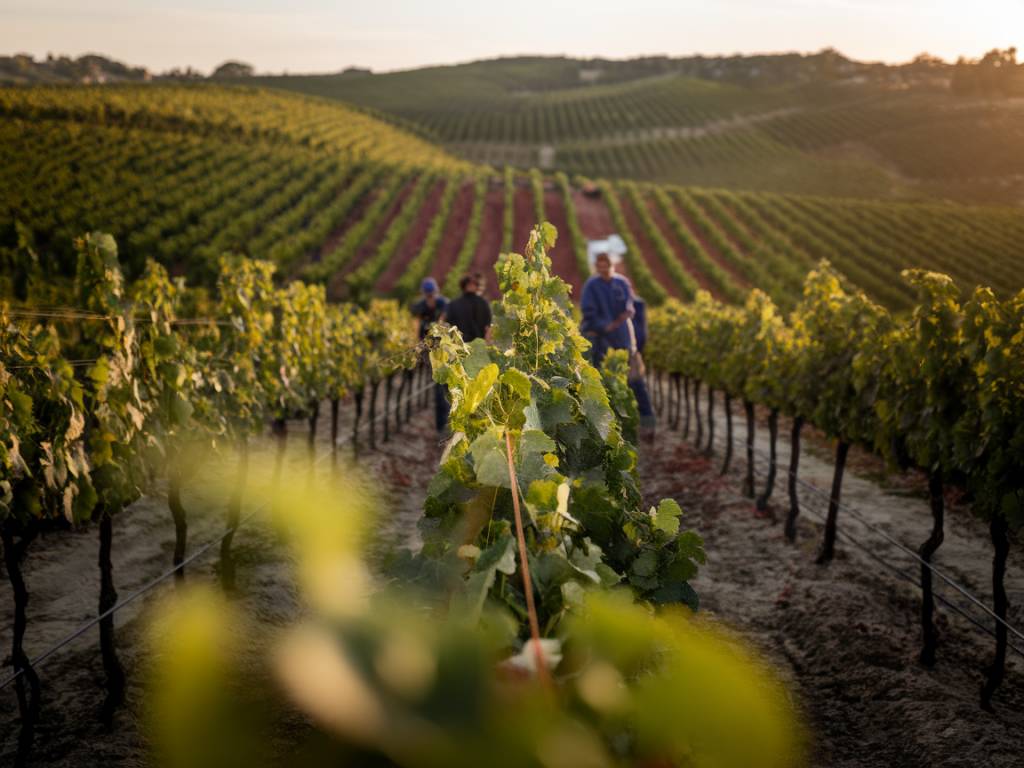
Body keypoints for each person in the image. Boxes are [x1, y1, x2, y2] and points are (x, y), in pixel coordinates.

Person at [580, 251, 656, 440]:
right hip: (602, 342)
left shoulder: (621, 283)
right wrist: (605, 326)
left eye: (606, 264)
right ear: (597, 267)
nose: (603, 268)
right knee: (604, 384)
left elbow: (630, 307)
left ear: (611, 265)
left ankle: (648, 423)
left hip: (624, 340)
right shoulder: (592, 286)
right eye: (600, 265)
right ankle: (608, 429)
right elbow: (588, 313)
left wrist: (621, 320)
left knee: (636, 382)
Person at [411, 277, 449, 433]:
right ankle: (441, 425)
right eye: (428, 296)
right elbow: (418, 328)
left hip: (446, 351)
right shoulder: (420, 307)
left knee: (446, 388)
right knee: (438, 390)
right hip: (430, 353)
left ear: (436, 293)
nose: (430, 298)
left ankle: (447, 422)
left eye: (432, 295)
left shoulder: (445, 305)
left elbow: (446, 324)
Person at [445, 273, 492, 343]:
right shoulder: (483, 302)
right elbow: (488, 327)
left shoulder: (453, 304)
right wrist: (487, 345)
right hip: (478, 345)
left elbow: (448, 325)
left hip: (459, 344)